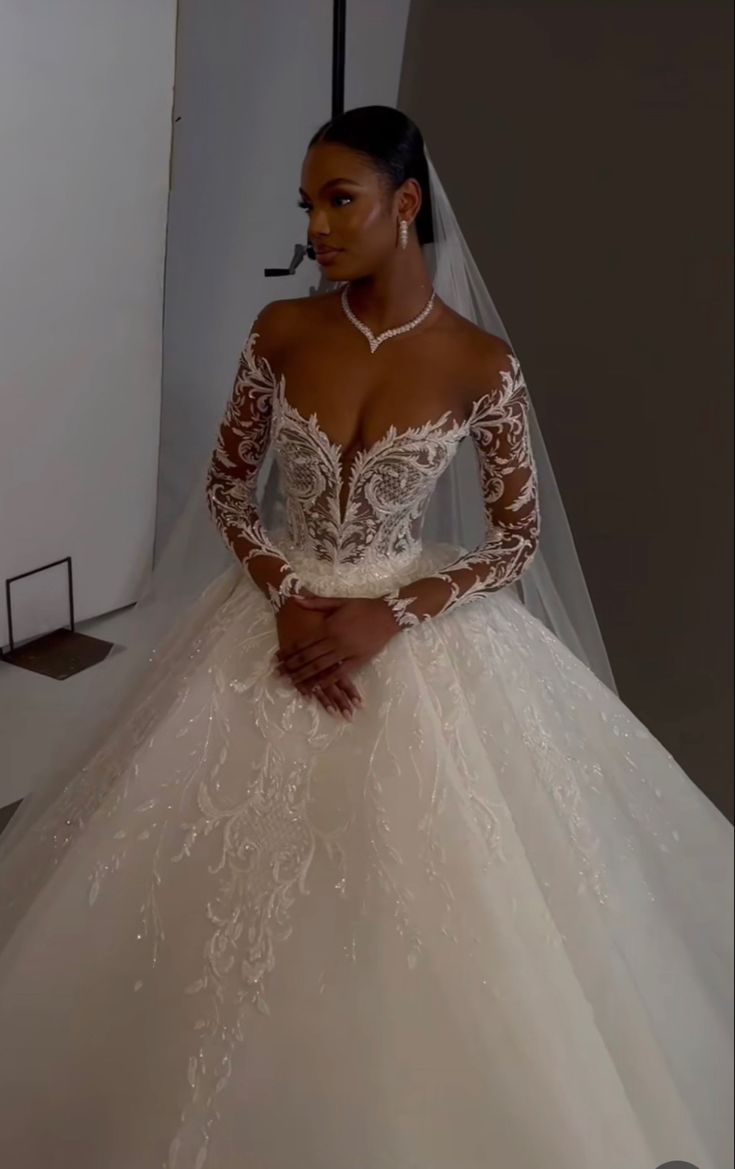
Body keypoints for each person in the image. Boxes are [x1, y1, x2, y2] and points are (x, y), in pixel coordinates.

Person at [0, 106, 731, 1169]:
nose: (316, 227)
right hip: (278, 612)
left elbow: (518, 539)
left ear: (405, 204)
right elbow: (226, 489)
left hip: (405, 625)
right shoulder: (281, 333)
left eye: (339, 200)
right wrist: (289, 597)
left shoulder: (482, 363)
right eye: (306, 204)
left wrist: (389, 615)